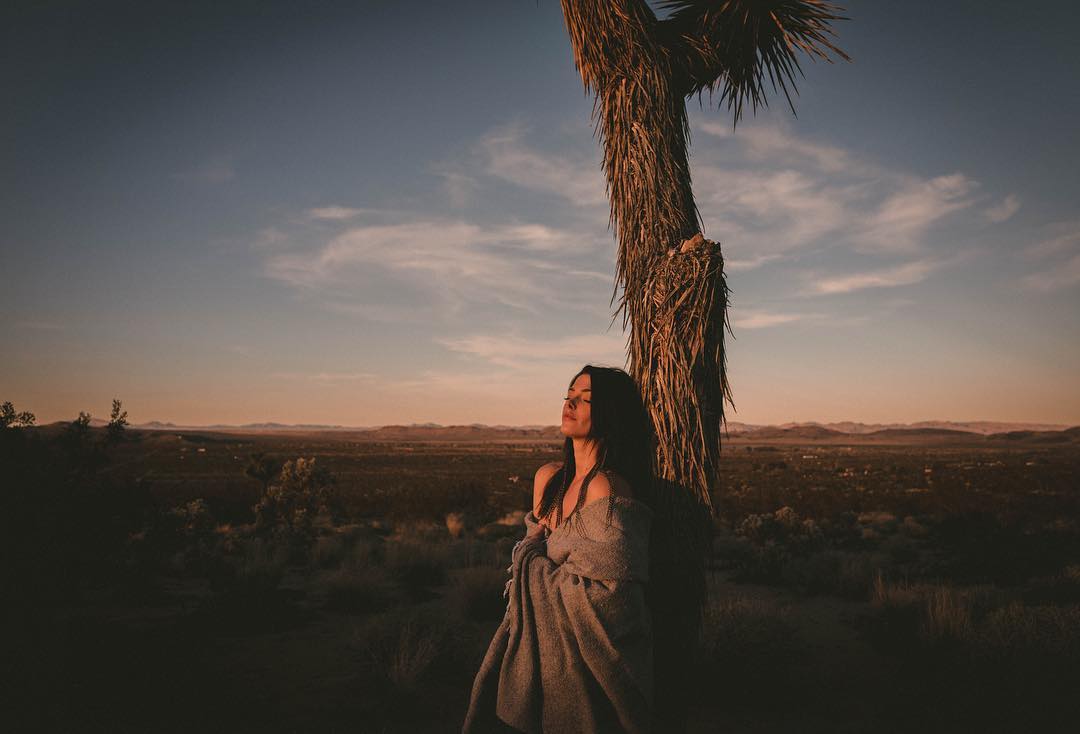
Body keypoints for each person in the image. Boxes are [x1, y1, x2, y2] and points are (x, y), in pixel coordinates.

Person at [462, 365, 657, 734]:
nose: (571, 403)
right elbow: (533, 549)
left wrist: (531, 565)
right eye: (570, 395)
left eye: (586, 399)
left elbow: (613, 598)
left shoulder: (608, 490)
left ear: (611, 413)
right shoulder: (548, 478)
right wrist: (535, 566)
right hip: (533, 644)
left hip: (586, 665)